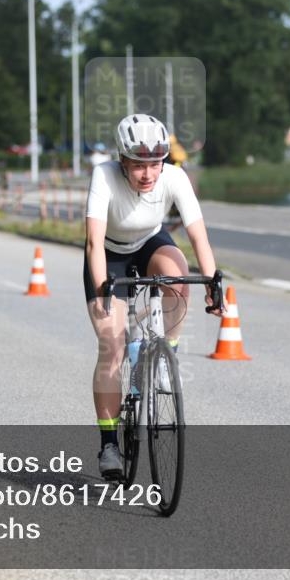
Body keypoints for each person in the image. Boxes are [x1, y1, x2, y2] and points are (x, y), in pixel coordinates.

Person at [84, 114, 222, 480]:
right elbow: (94, 242)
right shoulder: (104, 176)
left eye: (155, 163)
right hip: (109, 255)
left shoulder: (173, 177)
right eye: (139, 165)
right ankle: (109, 443)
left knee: (177, 276)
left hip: (149, 243)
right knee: (111, 347)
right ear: (123, 161)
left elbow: (197, 235)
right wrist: (102, 290)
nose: (148, 174)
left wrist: (212, 281)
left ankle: (167, 352)